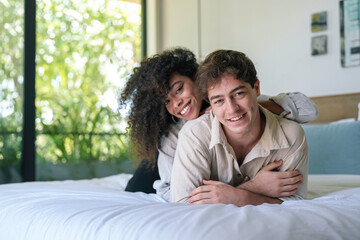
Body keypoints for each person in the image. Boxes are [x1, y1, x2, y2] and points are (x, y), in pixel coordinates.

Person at [120, 47, 317, 200]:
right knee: (135, 188)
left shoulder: (234, 101)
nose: (177, 102)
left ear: (195, 79)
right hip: (148, 180)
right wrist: (252, 188)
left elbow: (309, 110)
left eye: (179, 89)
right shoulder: (174, 137)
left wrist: (243, 109)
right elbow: (177, 196)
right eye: (167, 101)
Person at [170, 49, 309, 205]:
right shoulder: (194, 134)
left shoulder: (291, 135)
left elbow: (295, 204)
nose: (232, 109)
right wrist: (255, 188)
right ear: (210, 104)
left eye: (238, 94)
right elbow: (182, 205)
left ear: (256, 88)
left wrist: (239, 197)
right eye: (218, 101)